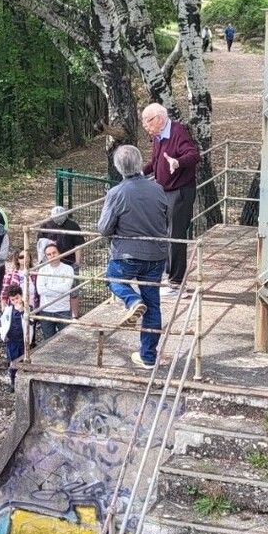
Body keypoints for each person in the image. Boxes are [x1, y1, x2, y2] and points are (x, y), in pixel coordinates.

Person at [98, 144, 169, 369]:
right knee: (153, 304)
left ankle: (131, 300)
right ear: (139, 164)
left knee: (113, 279)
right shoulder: (158, 189)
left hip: (126, 254)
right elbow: (165, 218)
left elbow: (104, 228)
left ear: (118, 167)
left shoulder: (116, 193)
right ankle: (148, 357)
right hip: (156, 254)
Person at [141, 103, 201, 296]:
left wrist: (178, 162)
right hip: (165, 191)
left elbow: (193, 155)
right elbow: (157, 162)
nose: (145, 126)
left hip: (180, 191)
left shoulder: (178, 132)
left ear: (159, 118)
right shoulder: (158, 137)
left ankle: (176, 284)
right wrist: (140, 171)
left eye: (147, 121)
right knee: (167, 235)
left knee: (175, 236)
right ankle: (171, 279)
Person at [35, 242, 75, 341]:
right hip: (46, 310)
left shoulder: (68, 269)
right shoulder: (42, 270)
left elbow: (66, 289)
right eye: (49, 254)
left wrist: (48, 287)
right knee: (48, 341)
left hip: (63, 309)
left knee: (65, 340)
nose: (52, 256)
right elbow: (40, 290)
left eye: (54, 253)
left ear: (59, 253)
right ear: (46, 256)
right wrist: (59, 289)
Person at [0, 284, 32, 392]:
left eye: (17, 298)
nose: (15, 301)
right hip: (12, 341)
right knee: (12, 362)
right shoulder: (8, 310)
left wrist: (22, 311)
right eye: (12, 300)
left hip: (23, 341)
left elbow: (31, 322)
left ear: (21, 296)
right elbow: (2, 323)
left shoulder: (28, 309)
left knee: (24, 361)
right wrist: (4, 335)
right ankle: (13, 382)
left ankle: (24, 383)